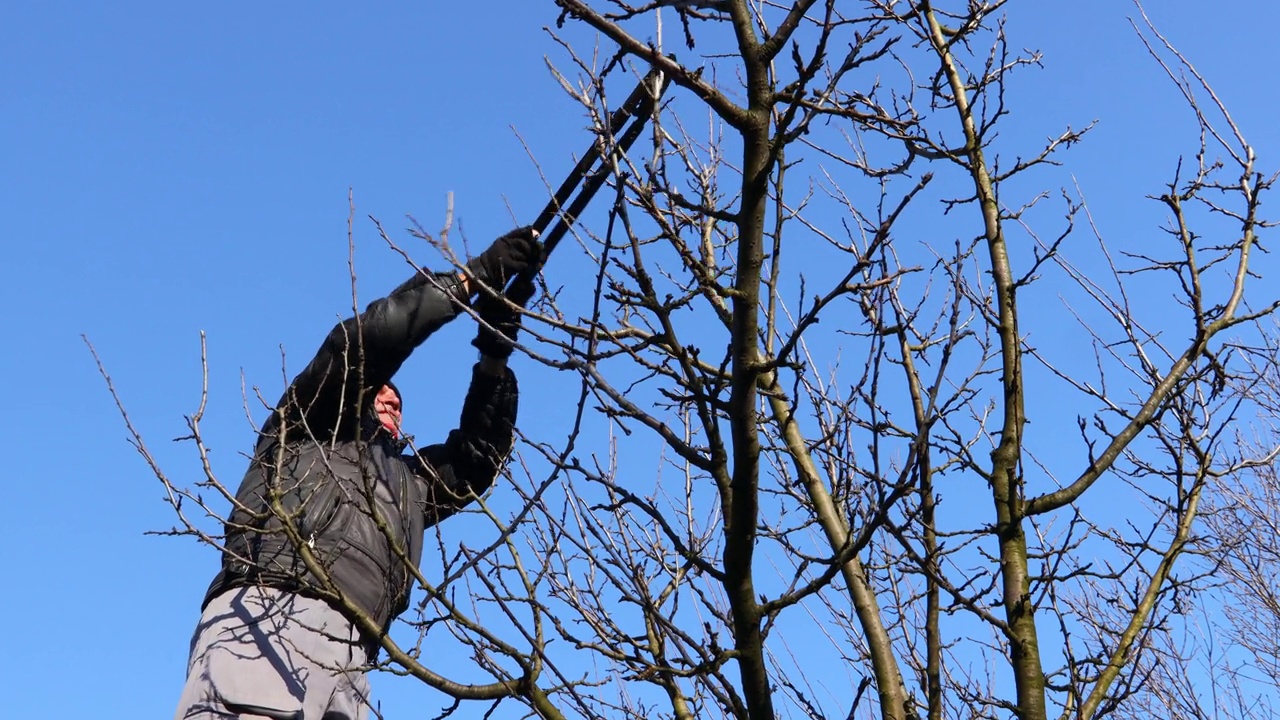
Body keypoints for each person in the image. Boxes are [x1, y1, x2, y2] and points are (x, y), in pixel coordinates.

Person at [173, 227, 543, 720]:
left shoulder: (407, 487)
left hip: (354, 654)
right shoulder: (307, 426)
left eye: (402, 401)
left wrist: (494, 354)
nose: (393, 399)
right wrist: (472, 280)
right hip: (266, 617)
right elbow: (365, 344)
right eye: (383, 390)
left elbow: (476, 461)